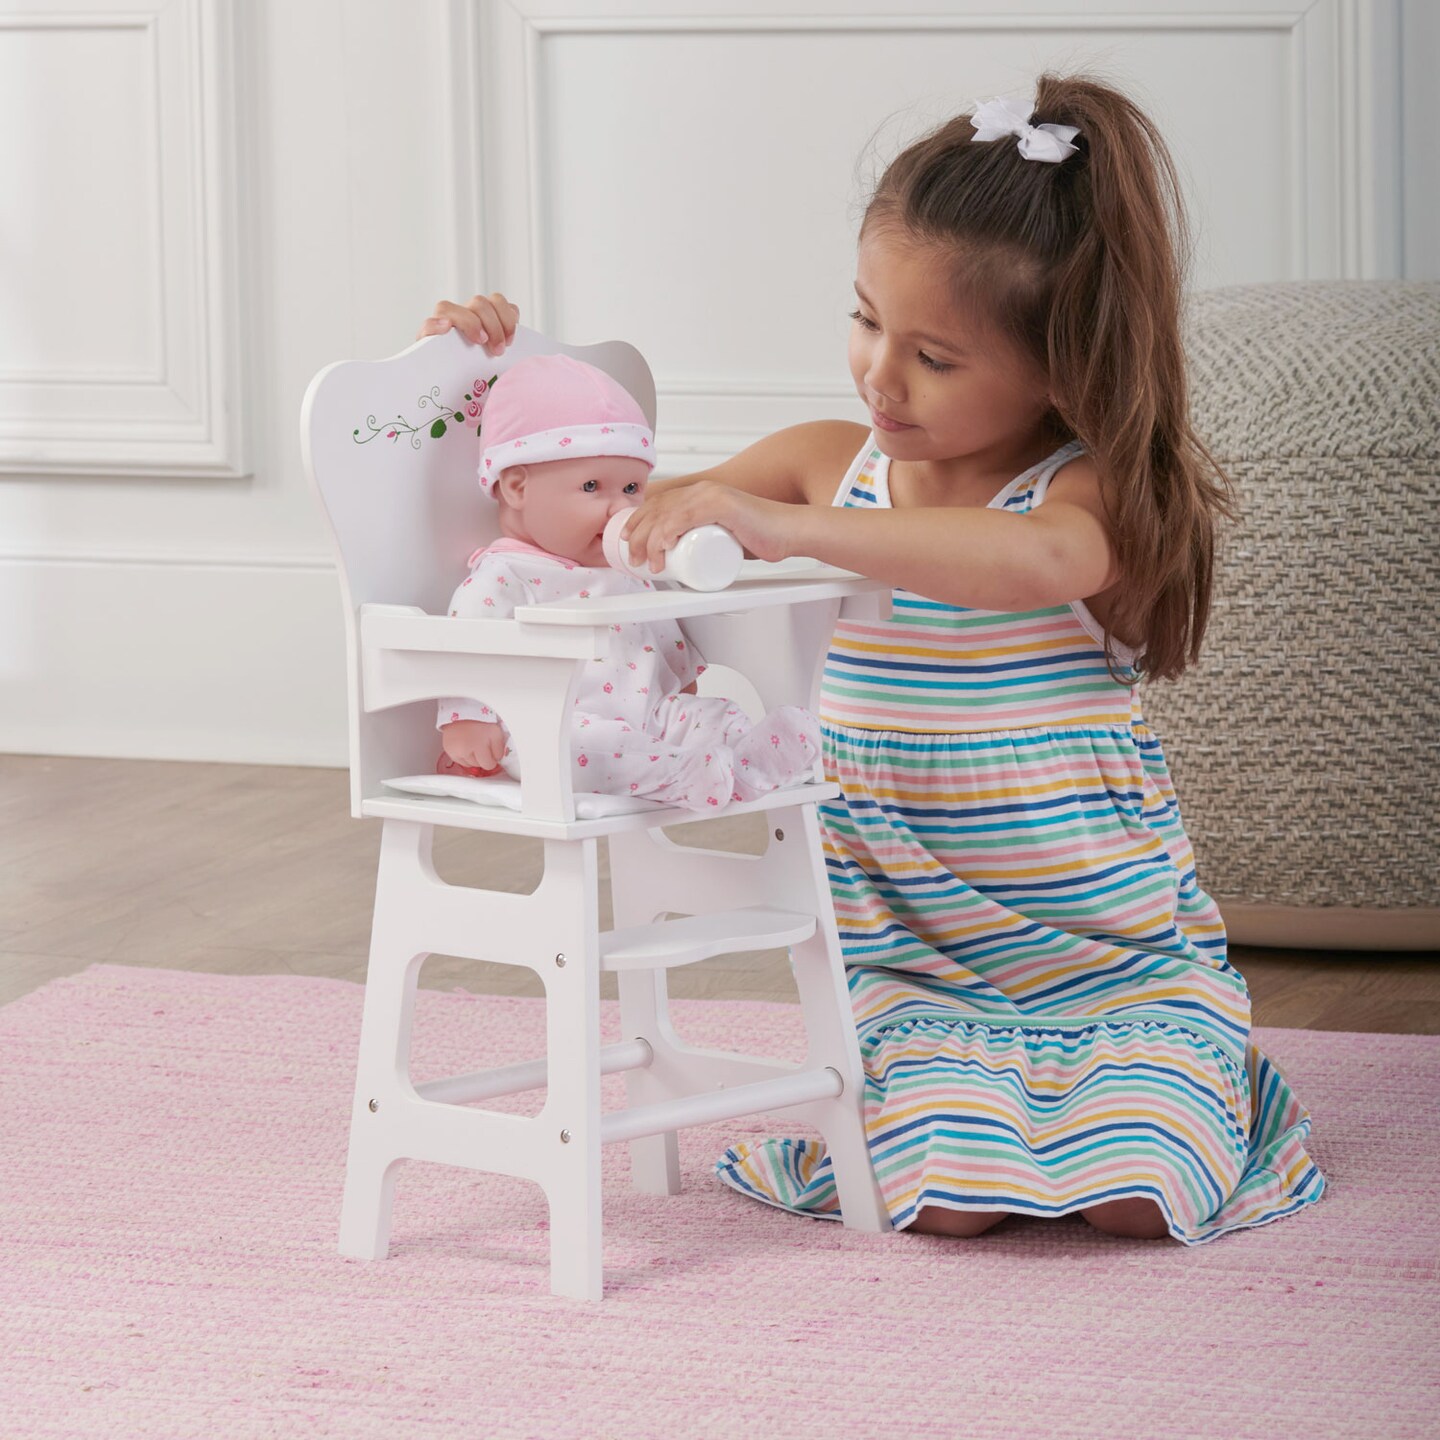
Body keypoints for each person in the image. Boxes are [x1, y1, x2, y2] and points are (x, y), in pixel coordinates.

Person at [416, 74, 1325, 1243]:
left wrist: (791, 527)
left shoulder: (1085, 492)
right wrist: (488, 379)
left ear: (1062, 363)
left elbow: (1030, 559)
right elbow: (603, 523)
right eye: (864, 320)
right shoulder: (823, 458)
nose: (878, 375)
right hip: (916, 968)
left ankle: (1188, 1092)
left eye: (935, 357)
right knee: (944, 1209)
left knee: (1138, 1201)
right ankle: (944, 1097)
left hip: (1115, 968)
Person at [436, 352, 819, 813]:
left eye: (633, 489)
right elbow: (463, 645)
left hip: (649, 715)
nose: (620, 508)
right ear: (517, 487)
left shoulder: (625, 567)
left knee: (715, 715)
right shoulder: (506, 575)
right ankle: (685, 776)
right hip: (550, 727)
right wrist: (468, 718)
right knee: (586, 747)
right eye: (593, 487)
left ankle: (747, 763)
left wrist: (682, 684)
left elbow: (654, 627)